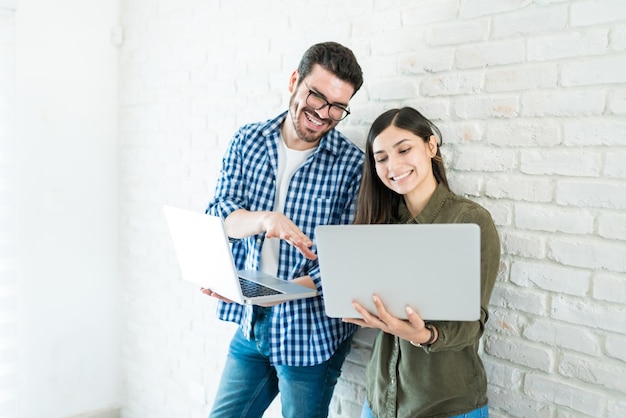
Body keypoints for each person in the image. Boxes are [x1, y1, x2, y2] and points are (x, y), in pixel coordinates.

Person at [203, 42, 365, 418]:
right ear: (295, 80)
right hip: (251, 326)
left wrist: (253, 291)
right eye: (316, 96)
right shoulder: (248, 141)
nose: (323, 114)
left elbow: (338, 268)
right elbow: (220, 216)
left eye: (338, 107)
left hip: (310, 337)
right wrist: (263, 220)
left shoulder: (353, 166)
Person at [344, 107, 501, 418]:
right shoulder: (381, 225)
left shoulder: (468, 220)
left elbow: (473, 324)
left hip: (443, 405)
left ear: (431, 146)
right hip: (379, 401)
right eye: (382, 158)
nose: (394, 165)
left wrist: (423, 334)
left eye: (404, 149)